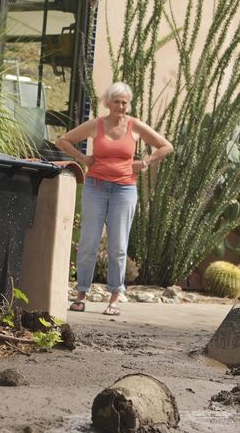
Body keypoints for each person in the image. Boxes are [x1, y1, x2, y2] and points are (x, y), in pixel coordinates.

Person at [55, 82, 173, 316]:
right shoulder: (96, 125)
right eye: (116, 101)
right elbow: (63, 140)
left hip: (124, 190)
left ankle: (115, 298)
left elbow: (166, 146)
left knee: (118, 246)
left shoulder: (135, 126)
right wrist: (83, 158)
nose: (120, 106)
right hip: (95, 188)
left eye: (124, 102)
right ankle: (81, 294)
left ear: (128, 104)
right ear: (107, 103)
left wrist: (145, 162)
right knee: (88, 243)